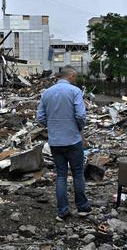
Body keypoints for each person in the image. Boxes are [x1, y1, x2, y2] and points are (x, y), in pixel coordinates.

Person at [37, 65, 91, 221]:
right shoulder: (75, 92)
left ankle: (63, 211)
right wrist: (78, 128)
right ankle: (82, 207)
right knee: (78, 173)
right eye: (76, 78)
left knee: (60, 175)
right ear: (71, 76)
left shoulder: (46, 93)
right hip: (73, 140)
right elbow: (81, 115)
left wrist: (53, 126)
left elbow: (40, 118)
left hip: (55, 142)